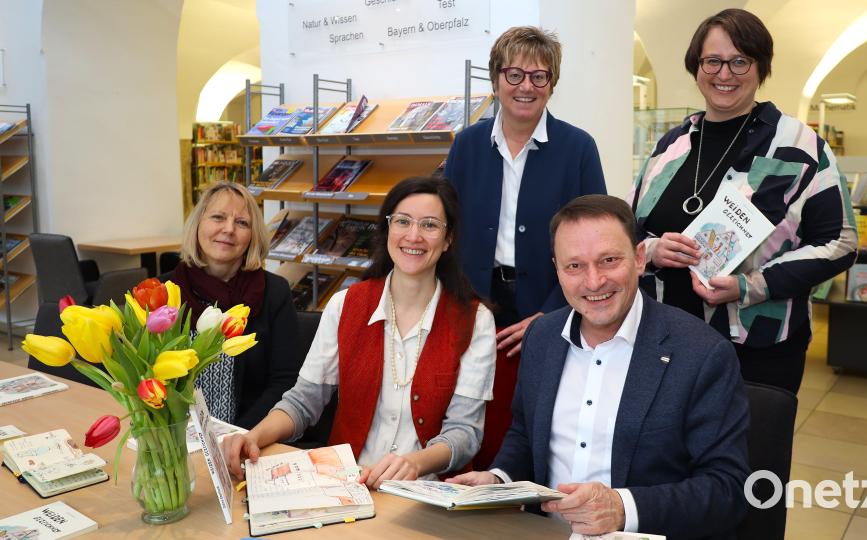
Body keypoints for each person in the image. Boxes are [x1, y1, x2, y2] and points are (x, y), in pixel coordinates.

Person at [450, 195, 750, 538]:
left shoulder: (701, 353)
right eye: (574, 266)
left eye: (608, 260)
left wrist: (622, 508)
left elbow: (729, 489)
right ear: (557, 270)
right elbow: (525, 433)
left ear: (639, 258)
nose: (593, 282)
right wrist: (498, 480)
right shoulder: (542, 337)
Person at [630, 8, 857, 394]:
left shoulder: (799, 146)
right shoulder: (671, 144)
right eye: (713, 61)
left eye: (739, 61)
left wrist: (751, 285)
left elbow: (840, 242)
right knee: (667, 451)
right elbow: (632, 227)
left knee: (748, 454)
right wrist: (652, 249)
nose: (724, 74)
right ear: (696, 66)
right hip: (663, 336)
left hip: (755, 345)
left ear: (760, 66)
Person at [224, 176, 496, 489]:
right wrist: (253, 436)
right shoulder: (345, 305)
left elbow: (465, 432)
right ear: (387, 229)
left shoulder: (475, 321)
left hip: (427, 493)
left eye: (430, 225)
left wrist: (415, 463)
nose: (414, 235)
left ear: (449, 239)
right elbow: (304, 401)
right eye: (403, 221)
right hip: (346, 483)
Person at [444, 25, 606, 468]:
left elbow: (596, 238)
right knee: (474, 404)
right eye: (514, 75)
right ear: (496, 80)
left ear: (552, 84)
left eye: (539, 77)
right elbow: (448, 226)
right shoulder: (467, 145)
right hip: (474, 300)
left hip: (550, 303)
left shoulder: (577, 148)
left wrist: (555, 312)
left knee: (538, 412)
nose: (526, 87)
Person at [168, 182, 299, 429]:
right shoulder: (163, 292)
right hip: (172, 437)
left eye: (242, 223)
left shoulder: (274, 293)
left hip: (247, 435)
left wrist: (238, 435)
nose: (228, 229)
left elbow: (285, 382)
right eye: (218, 217)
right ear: (198, 225)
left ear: (252, 236)